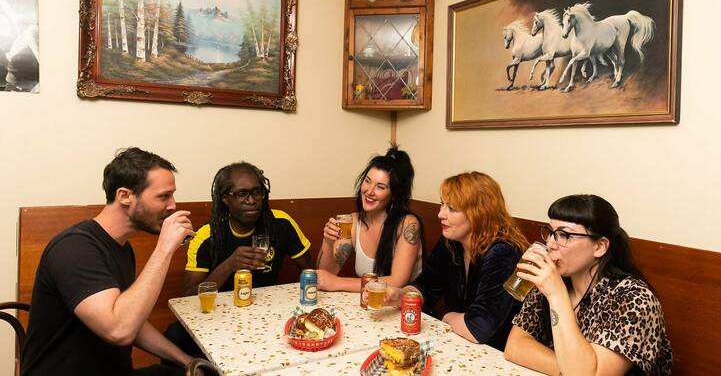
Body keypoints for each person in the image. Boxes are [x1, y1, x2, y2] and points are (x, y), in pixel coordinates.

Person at [21, 147, 196, 376]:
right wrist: (164, 248)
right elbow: (119, 329)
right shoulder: (75, 248)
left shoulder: (123, 248)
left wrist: (186, 360)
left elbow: (131, 319)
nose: (172, 205)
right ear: (124, 196)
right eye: (163, 196)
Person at [504, 194, 672, 375]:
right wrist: (568, 369)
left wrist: (557, 296)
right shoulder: (554, 280)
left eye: (564, 235)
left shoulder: (634, 299)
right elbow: (515, 346)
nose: (550, 243)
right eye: (550, 232)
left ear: (600, 246)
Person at [164, 162, 313, 358]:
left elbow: (310, 271)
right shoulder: (207, 235)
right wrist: (229, 264)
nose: (251, 200)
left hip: (268, 315)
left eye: (257, 192)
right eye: (242, 194)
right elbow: (189, 297)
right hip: (218, 320)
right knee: (174, 335)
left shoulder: (280, 223)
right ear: (226, 199)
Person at [385, 171, 529, 351]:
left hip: (499, 355)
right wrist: (400, 295)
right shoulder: (451, 241)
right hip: (462, 344)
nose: (440, 214)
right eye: (442, 204)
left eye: (451, 208)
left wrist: (448, 317)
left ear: (479, 214)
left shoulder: (503, 252)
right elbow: (427, 286)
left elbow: (479, 328)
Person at [316, 145, 422, 292]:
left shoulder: (408, 224)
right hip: (369, 306)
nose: (369, 191)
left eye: (380, 187)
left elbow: (397, 281)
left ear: (395, 194)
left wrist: (339, 283)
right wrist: (328, 241)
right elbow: (326, 275)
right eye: (367, 181)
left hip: (404, 309)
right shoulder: (351, 222)